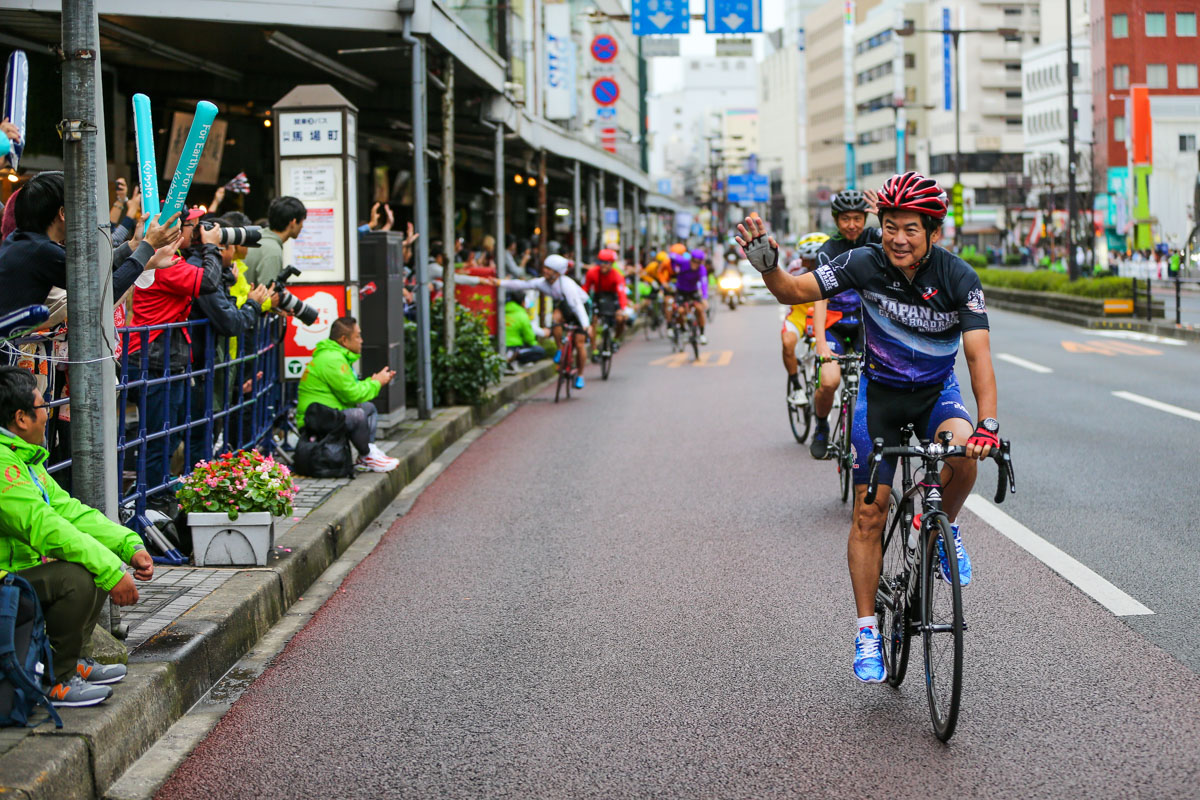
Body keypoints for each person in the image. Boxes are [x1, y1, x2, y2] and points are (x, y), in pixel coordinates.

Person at [737, 171, 1000, 684]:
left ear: (934, 232)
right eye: (890, 226)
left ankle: (943, 526)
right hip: (879, 399)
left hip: (935, 396)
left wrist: (988, 422)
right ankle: (866, 631)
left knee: (965, 454)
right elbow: (794, 290)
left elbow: (978, 356)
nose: (898, 238)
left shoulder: (959, 278)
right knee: (869, 515)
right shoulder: (863, 261)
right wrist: (768, 265)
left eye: (911, 229)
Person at [0, 366, 154, 707]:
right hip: (4, 582)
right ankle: (57, 679)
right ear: (21, 418)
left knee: (95, 563)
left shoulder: (23, 457)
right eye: (44, 407)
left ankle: (75, 661)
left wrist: (127, 545)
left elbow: (68, 510)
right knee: (78, 578)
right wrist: (111, 572)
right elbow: (44, 527)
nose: (48, 415)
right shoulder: (3, 465)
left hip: (15, 575)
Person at [126, 208, 224, 491]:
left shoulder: (170, 258)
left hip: (164, 355)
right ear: (176, 231)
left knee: (168, 433)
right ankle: (152, 495)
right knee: (158, 437)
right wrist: (212, 248)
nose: (196, 230)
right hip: (156, 356)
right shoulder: (164, 262)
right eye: (192, 225)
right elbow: (208, 282)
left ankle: (158, 488)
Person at [0, 171, 181, 317]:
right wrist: (148, 246)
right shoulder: (41, 250)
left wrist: (134, 245)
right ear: (63, 213)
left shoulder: (23, 242)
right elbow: (103, 295)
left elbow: (95, 271)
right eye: (79, 208)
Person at [808, 190, 879, 459]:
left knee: (878, 384)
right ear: (836, 220)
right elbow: (820, 298)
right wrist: (821, 343)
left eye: (858, 218)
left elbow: (901, 239)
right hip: (834, 323)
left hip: (867, 323)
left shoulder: (874, 239)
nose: (852, 224)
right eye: (846, 219)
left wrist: (882, 216)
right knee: (829, 381)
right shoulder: (828, 250)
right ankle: (822, 426)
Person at [295, 316, 399, 473]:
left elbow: (350, 389)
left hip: (325, 414)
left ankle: (367, 455)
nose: (361, 340)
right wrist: (377, 382)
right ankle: (366, 455)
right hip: (314, 421)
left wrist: (373, 381)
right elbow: (353, 395)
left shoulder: (334, 356)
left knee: (368, 408)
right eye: (357, 336)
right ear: (344, 340)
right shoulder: (333, 359)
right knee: (357, 414)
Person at [487, 254, 590, 390]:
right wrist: (500, 283)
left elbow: (577, 306)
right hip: (564, 307)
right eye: (544, 268)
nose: (545, 271)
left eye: (549, 269)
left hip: (580, 307)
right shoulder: (542, 282)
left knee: (579, 342)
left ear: (556, 273)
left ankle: (581, 375)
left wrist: (585, 324)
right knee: (556, 318)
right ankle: (559, 349)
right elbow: (523, 284)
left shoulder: (567, 285)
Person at [780, 233, 829, 401]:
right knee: (787, 343)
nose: (802, 261)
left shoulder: (833, 266)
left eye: (807, 259)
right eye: (801, 257)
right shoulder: (795, 267)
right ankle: (796, 386)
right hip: (799, 312)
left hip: (825, 313)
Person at [243, 196, 306, 287]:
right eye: (302, 222)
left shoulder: (258, 236)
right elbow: (267, 295)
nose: (302, 226)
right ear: (293, 222)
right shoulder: (272, 251)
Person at [582, 248, 629, 340]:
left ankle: (616, 339)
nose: (603, 265)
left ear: (611, 264)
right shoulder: (592, 272)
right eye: (601, 262)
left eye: (607, 263)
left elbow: (621, 293)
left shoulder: (617, 276)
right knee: (593, 321)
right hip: (598, 296)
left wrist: (622, 308)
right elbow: (585, 288)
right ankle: (594, 348)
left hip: (612, 298)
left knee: (620, 319)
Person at [671, 250, 708, 345]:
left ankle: (702, 334)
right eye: (694, 261)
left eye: (698, 262)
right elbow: (672, 255)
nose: (696, 264)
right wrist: (674, 268)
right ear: (690, 259)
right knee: (680, 311)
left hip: (693, 291)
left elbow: (704, 283)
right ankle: (683, 330)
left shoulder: (702, 269)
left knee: (700, 309)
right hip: (681, 291)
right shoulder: (683, 262)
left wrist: (704, 298)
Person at [503, 291, 546, 370]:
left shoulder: (501, 311)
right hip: (514, 348)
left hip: (500, 347)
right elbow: (530, 339)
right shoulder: (522, 315)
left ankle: (511, 358)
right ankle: (515, 359)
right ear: (522, 302)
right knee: (540, 351)